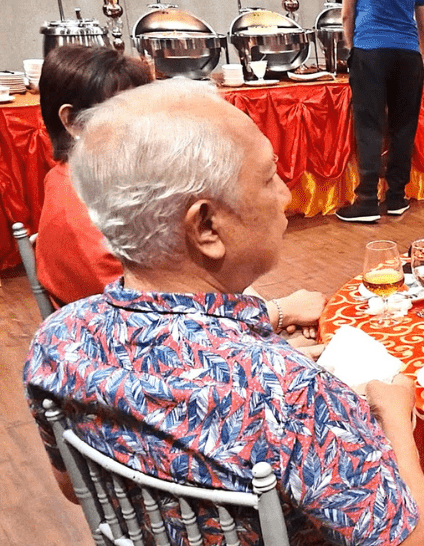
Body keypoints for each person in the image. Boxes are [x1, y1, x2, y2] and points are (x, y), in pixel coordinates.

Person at [24, 79, 424, 546]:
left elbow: (75, 487)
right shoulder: (285, 388)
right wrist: (395, 416)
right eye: (268, 178)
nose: (286, 195)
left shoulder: (58, 342)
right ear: (207, 226)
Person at [32, 46, 328, 346]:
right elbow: (159, 328)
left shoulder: (80, 184)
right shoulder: (88, 216)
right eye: (128, 113)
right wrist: (278, 313)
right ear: (72, 121)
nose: (155, 126)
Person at [34, 44, 150, 305]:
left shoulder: (69, 176)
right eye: (122, 110)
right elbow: (144, 307)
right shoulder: (81, 213)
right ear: (73, 121)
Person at [335, 0, 424, 223]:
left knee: (369, 125)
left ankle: (367, 199)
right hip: (408, 54)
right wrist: (420, 56)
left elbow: (347, 16)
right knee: (404, 127)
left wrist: (353, 49)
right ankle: (396, 197)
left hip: (369, 49)